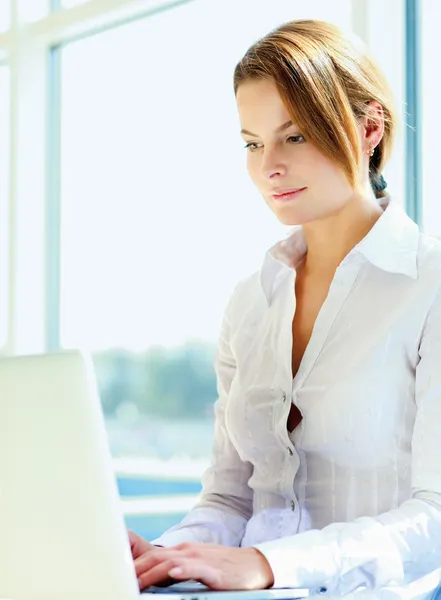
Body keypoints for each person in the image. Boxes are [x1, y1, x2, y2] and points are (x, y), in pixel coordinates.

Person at [129, 19, 441, 599]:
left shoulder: (429, 284)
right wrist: (169, 557)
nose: (267, 165)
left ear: (369, 127)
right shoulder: (251, 301)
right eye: (252, 142)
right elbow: (230, 497)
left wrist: (270, 564)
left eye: (293, 136)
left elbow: (437, 518)